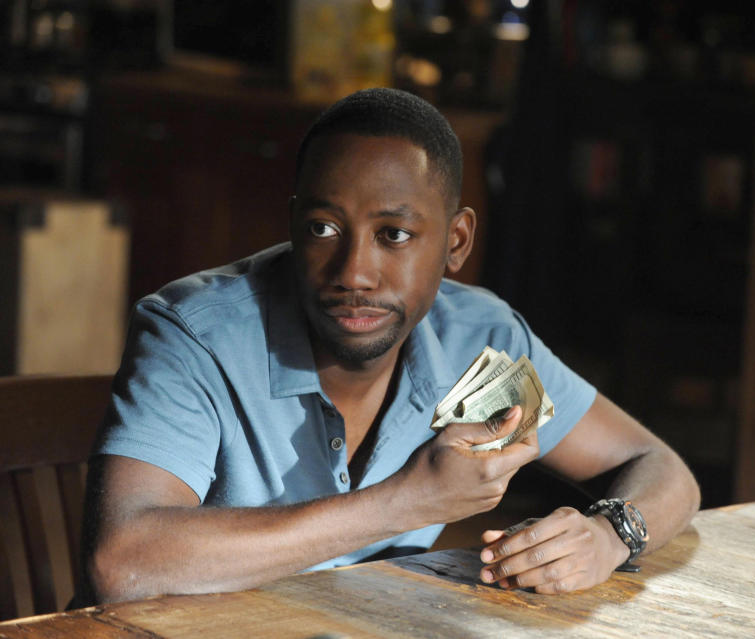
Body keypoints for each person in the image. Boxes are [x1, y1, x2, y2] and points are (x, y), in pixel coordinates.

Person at [81, 88, 700, 604]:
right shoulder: (192, 334)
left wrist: (609, 534)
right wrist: (407, 502)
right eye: (324, 229)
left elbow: (660, 466)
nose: (354, 271)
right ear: (294, 225)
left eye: (394, 234)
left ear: (456, 241)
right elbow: (124, 566)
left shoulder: (481, 337)